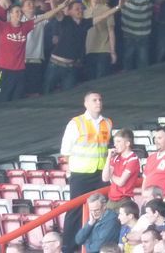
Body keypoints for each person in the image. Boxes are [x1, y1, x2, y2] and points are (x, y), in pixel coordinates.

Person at [60, 92, 113, 252]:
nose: (98, 102)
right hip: (81, 173)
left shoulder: (108, 123)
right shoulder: (76, 123)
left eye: (100, 100)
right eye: (94, 100)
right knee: (75, 209)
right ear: (86, 104)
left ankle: (99, 244)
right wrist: (71, 170)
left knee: (103, 208)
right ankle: (68, 247)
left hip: (100, 173)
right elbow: (65, 150)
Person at [103, 129, 140, 203]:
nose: (115, 145)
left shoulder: (133, 159)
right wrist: (109, 158)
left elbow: (120, 182)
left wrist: (111, 175)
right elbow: (105, 178)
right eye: (115, 142)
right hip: (112, 198)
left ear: (127, 143)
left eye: (118, 141)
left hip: (125, 199)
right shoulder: (116, 157)